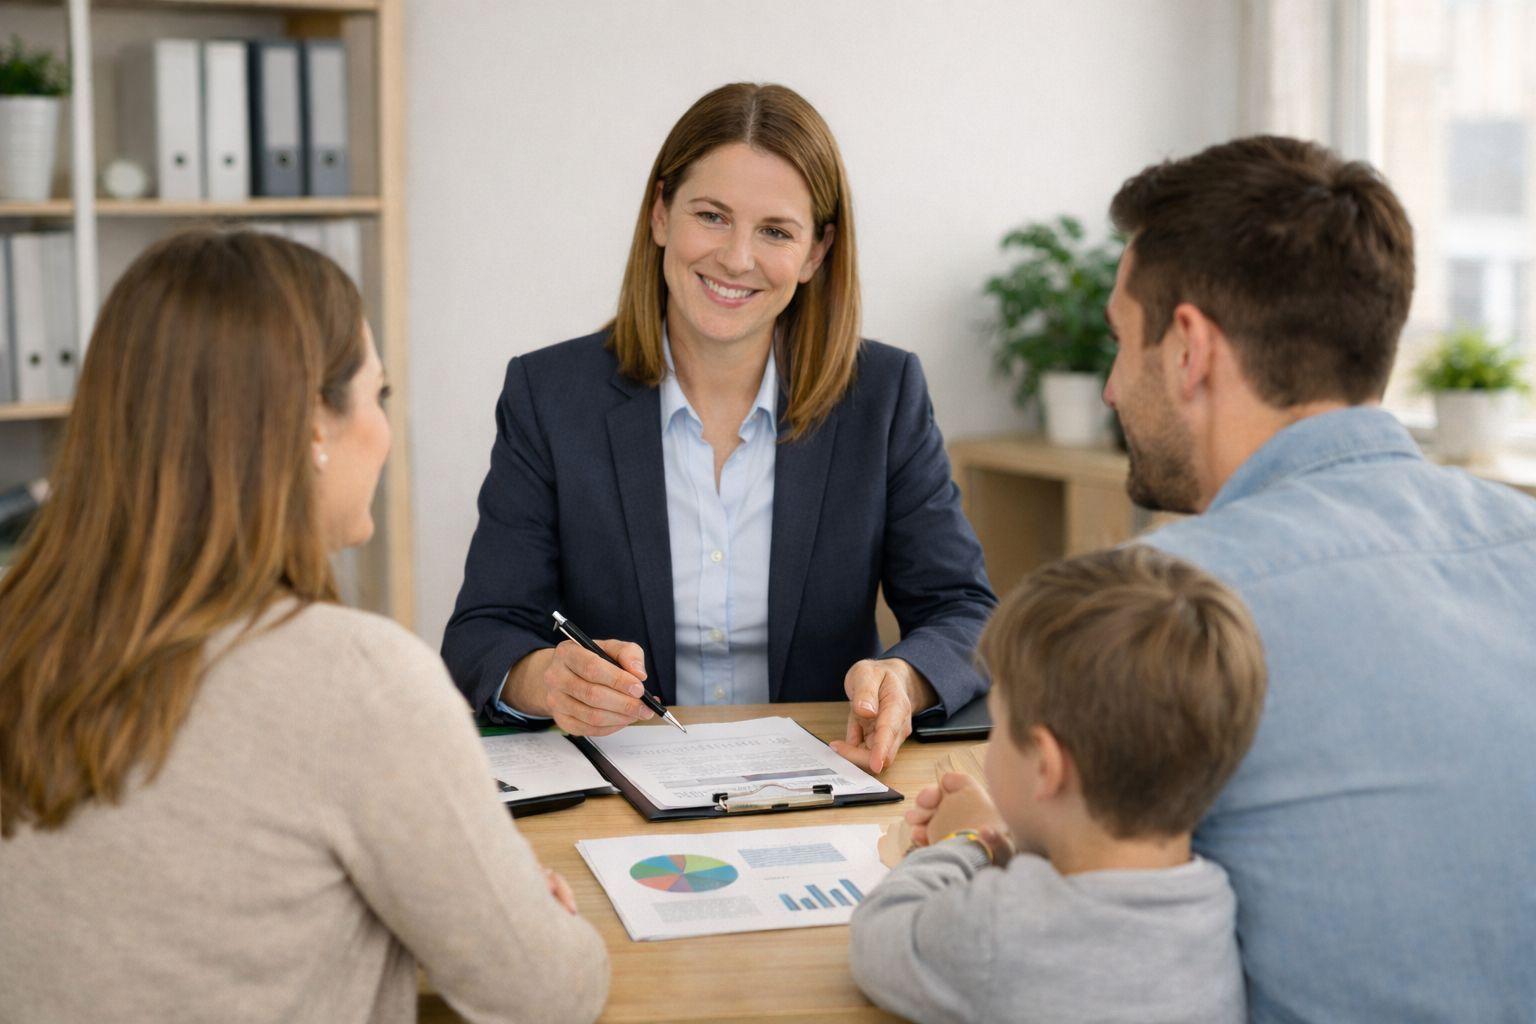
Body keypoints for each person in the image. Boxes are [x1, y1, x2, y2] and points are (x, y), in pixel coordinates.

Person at [0, 230, 609, 1023]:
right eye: (377, 396)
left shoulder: (23, 632)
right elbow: (552, 992)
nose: (387, 431)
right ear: (312, 428)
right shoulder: (357, 680)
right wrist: (521, 908)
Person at [1103, 135, 1536, 1021]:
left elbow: (1075, 967)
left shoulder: (1163, 603)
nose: (1111, 388)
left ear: (1189, 349)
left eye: (1120, 342)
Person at [443, 83, 995, 773]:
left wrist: (904, 679)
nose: (737, 258)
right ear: (660, 215)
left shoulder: (882, 395)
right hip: (619, 788)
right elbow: (481, 632)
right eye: (712, 215)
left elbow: (964, 610)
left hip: (822, 780)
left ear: (817, 252)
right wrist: (547, 680)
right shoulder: (550, 395)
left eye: (776, 231)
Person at [848, 546, 1266, 1024]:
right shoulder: (1220, 910)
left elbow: (879, 934)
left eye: (999, 727)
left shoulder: (995, 932)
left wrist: (967, 843)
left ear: (1046, 766)